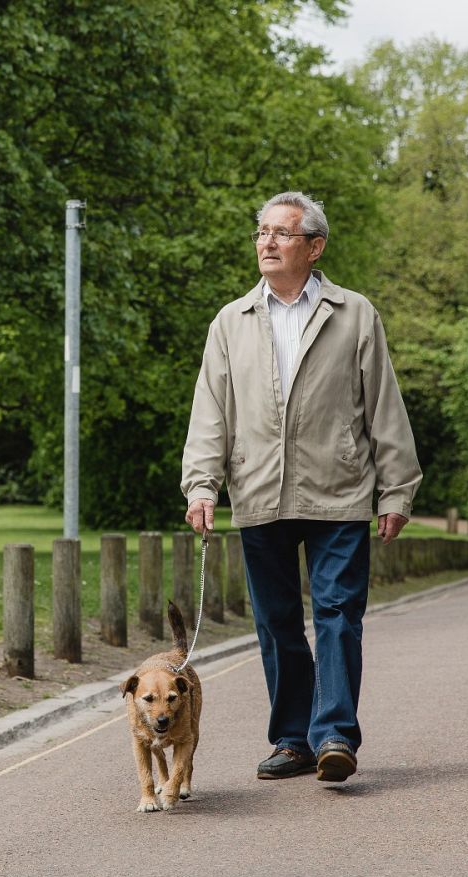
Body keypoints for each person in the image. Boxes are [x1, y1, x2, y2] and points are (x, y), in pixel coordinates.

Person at [180, 191, 422, 784]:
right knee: (277, 622)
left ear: (314, 248)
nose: (267, 242)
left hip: (339, 489)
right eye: (262, 232)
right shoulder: (230, 321)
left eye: (281, 233)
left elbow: (383, 405)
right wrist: (202, 485)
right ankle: (293, 739)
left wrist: (396, 489)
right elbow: (211, 410)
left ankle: (334, 734)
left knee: (338, 612)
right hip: (259, 490)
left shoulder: (354, 313)